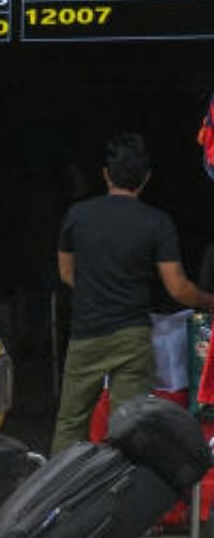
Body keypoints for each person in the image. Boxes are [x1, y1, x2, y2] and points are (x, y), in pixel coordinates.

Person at [50, 133, 214, 454]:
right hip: (132, 337)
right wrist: (210, 301)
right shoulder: (156, 223)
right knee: (128, 427)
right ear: (146, 179)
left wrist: (97, 293)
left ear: (106, 174)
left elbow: (67, 274)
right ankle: (123, 498)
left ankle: (58, 498)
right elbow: (178, 288)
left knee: (71, 422)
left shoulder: (77, 216)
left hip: (86, 333)